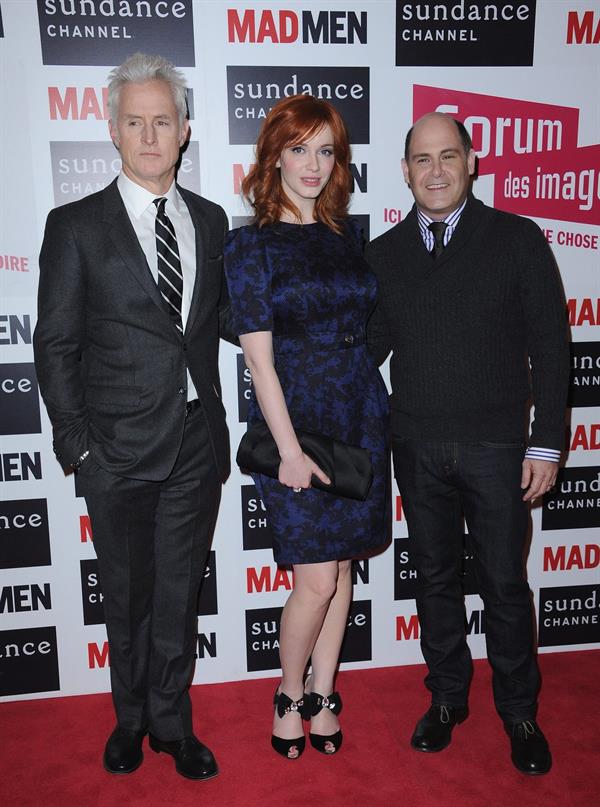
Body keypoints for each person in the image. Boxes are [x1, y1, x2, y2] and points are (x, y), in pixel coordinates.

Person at [33, 53, 231, 781]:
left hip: (193, 445)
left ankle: (174, 725)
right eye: (135, 121)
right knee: (126, 595)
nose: (151, 134)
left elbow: (232, 321)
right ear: (112, 130)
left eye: (163, 120)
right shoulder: (76, 225)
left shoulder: (211, 222)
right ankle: (130, 718)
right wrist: (79, 445)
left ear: (184, 130)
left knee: (179, 595)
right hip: (112, 451)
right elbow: (55, 342)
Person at [367, 112, 570, 775]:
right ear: (404, 171)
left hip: (497, 448)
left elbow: (551, 347)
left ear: (472, 161)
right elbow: (368, 350)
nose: (435, 170)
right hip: (416, 444)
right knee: (434, 583)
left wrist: (545, 444)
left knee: (506, 584)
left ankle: (519, 709)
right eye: (421, 159)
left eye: (447, 156)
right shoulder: (385, 253)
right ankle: (448, 698)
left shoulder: (516, 238)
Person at [225, 95, 390, 759]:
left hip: (359, 413)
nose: (314, 164)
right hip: (296, 423)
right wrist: (288, 452)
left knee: (343, 569)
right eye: (300, 149)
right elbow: (260, 365)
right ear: (274, 157)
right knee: (314, 580)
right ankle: (289, 692)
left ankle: (325, 693)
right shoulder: (250, 247)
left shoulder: (348, 237)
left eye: (326, 150)